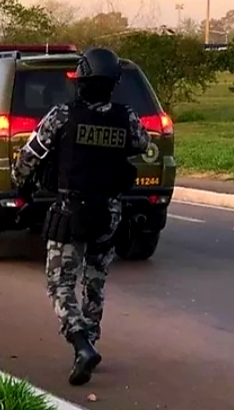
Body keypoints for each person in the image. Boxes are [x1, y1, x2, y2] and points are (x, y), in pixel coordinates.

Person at [11, 47, 150, 387]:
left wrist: (22, 184)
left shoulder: (62, 115)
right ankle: (91, 341)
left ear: (81, 79)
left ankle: (80, 343)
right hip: (109, 211)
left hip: (71, 209)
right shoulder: (126, 117)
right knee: (95, 282)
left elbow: (28, 157)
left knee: (59, 284)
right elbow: (142, 145)